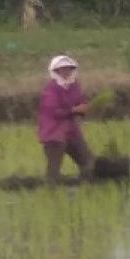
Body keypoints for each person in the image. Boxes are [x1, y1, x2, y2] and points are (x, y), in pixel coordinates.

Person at [37, 55, 93, 184]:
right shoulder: (50, 89)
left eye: (68, 69)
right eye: (62, 69)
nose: (66, 72)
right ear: (55, 71)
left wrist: (84, 109)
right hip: (54, 132)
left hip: (71, 131)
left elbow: (80, 102)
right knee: (54, 170)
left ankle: (85, 188)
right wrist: (74, 110)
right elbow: (52, 111)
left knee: (89, 163)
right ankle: (51, 192)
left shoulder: (74, 86)